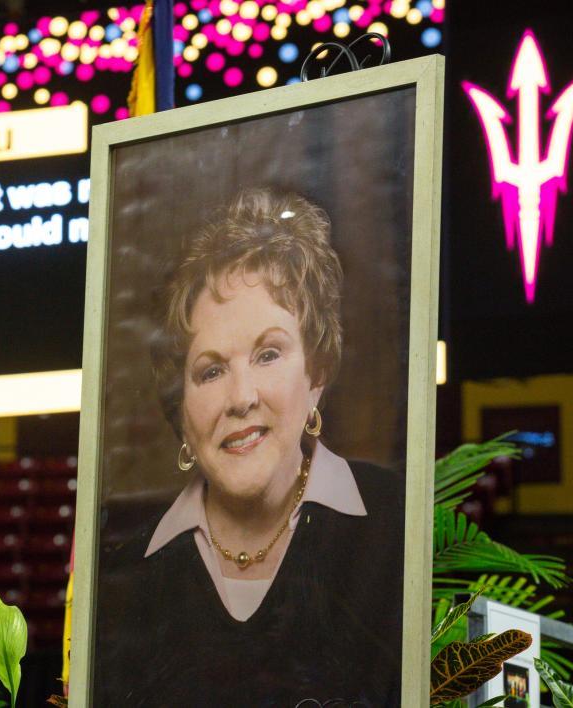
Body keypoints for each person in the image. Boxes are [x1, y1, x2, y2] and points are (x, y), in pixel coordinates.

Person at [96, 187, 404, 706]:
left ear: (317, 372)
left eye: (268, 354)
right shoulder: (125, 580)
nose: (240, 398)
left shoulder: (398, 521)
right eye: (211, 370)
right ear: (182, 406)